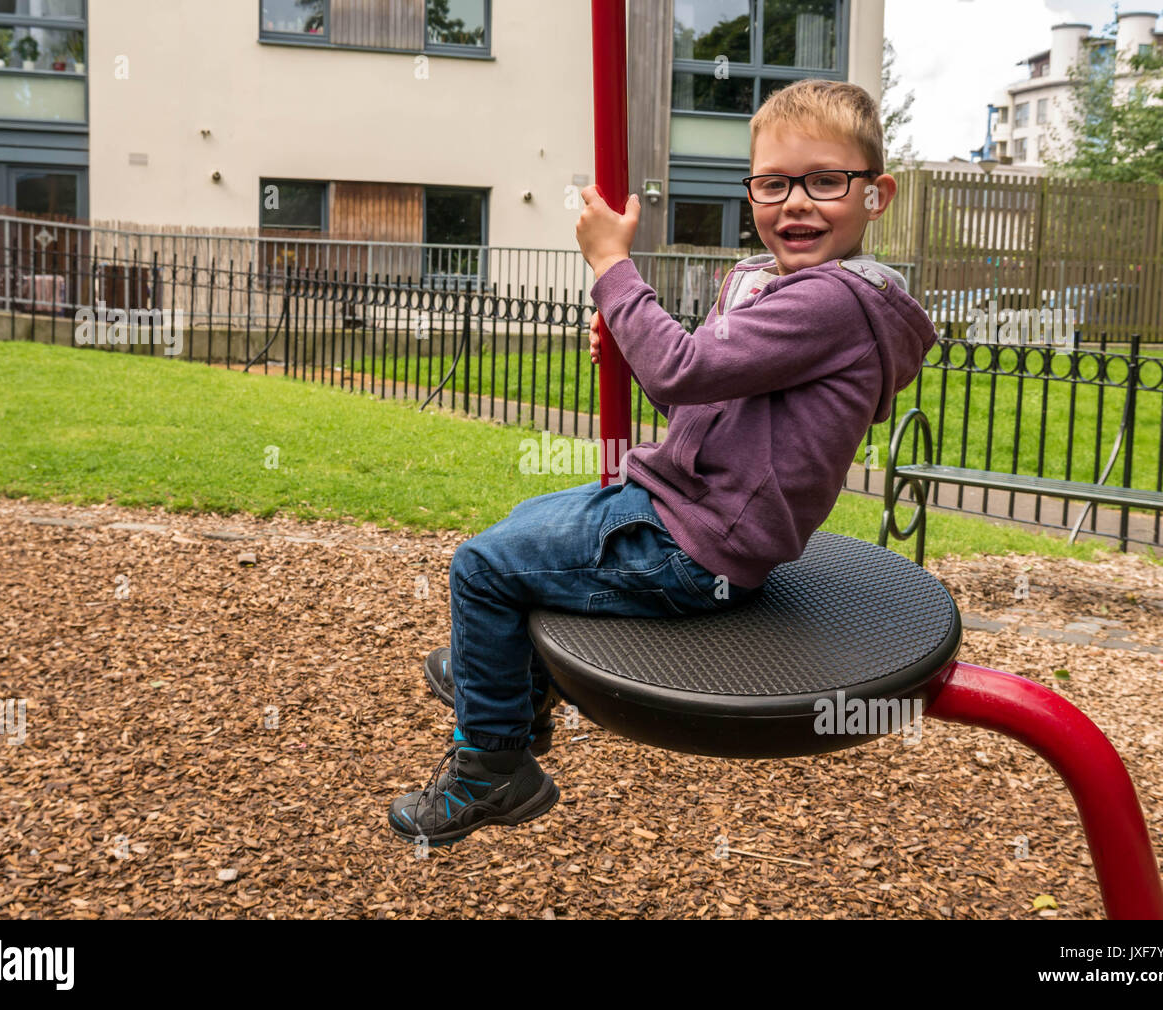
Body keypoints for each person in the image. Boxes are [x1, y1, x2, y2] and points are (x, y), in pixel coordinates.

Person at [388, 79, 937, 846]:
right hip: (673, 504)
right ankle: (508, 685)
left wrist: (615, 271)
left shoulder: (833, 302)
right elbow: (695, 403)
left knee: (481, 568)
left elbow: (679, 371)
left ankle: (494, 767)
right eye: (774, 183)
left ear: (875, 194)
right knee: (518, 530)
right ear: (751, 192)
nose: (797, 204)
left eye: (826, 181)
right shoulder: (762, 283)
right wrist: (629, 334)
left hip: (695, 547)